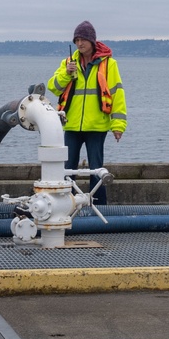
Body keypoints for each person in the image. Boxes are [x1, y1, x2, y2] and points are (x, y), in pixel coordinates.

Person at [48, 20, 127, 205]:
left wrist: (118, 125)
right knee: (68, 169)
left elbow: (117, 95)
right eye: (76, 40)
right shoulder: (68, 63)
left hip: (97, 126)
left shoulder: (109, 64)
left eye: (83, 39)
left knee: (97, 169)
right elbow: (54, 87)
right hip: (72, 125)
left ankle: (99, 207)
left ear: (92, 41)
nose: (79, 43)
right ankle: (64, 205)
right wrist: (66, 74)